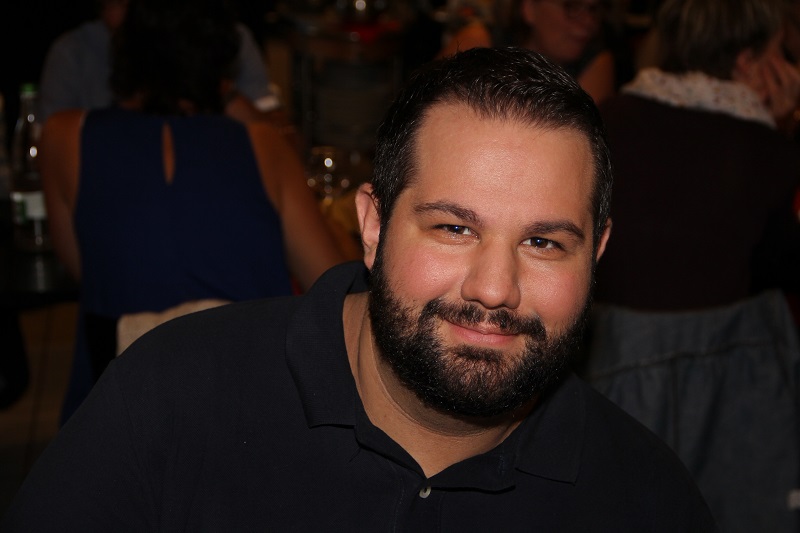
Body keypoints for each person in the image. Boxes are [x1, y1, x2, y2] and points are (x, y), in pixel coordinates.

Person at [1, 47, 718, 531]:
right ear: (372, 227)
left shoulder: (648, 500)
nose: (495, 288)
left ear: (596, 254)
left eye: (543, 243)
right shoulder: (171, 395)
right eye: (453, 228)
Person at [39, 0, 350, 424]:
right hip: (250, 405)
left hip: (116, 408)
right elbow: (332, 289)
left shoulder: (65, 136)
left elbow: (86, 269)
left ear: (124, 52)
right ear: (221, 66)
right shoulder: (262, 146)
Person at [593, 0, 800, 311]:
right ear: (746, 62)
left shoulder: (608, 117)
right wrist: (784, 129)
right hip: (712, 337)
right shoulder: (768, 151)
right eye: (779, 51)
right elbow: (784, 266)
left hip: (608, 332)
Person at [38, 0, 285, 127]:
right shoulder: (72, 52)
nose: (134, 14)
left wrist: (217, 87)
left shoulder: (219, 38)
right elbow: (47, 147)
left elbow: (281, 138)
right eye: (118, 2)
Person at [438, 0, 616, 103]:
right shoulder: (478, 42)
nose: (587, 21)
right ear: (529, 8)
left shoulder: (596, 62)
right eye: (571, 6)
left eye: (593, 9)